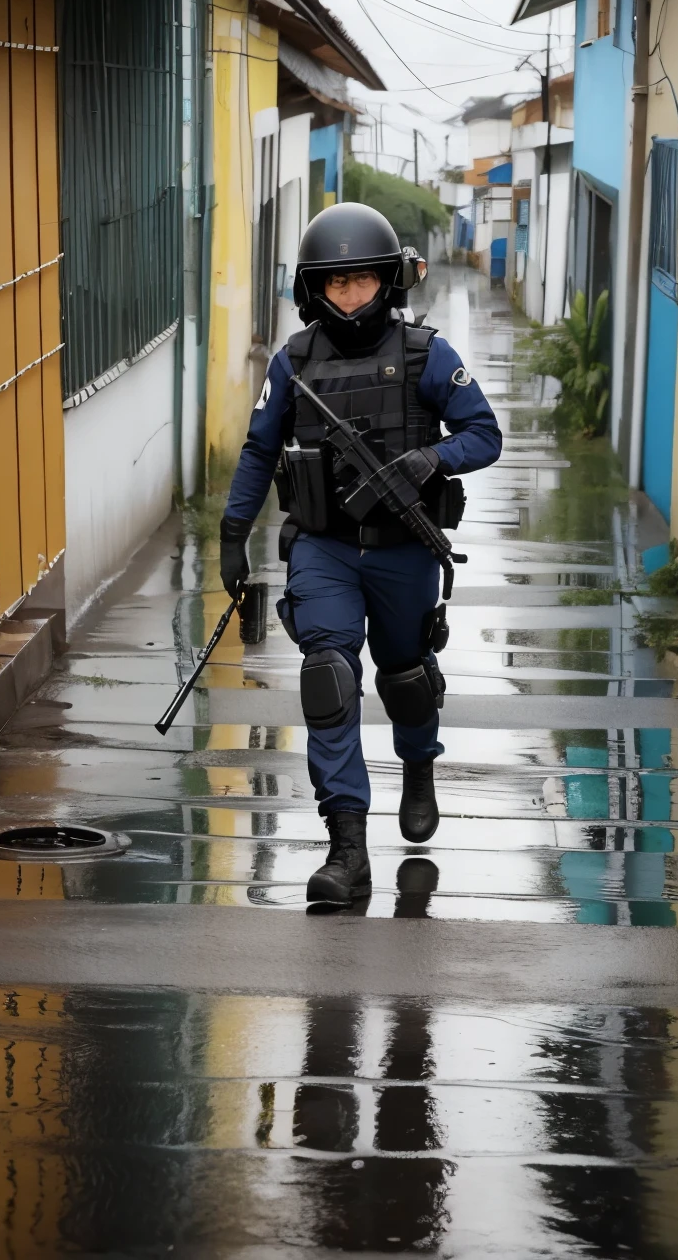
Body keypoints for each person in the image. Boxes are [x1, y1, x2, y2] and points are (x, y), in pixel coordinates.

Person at [219, 203, 502, 905]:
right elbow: (259, 450)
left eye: (364, 282)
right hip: (325, 549)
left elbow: (485, 434)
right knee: (328, 676)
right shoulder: (293, 362)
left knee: (404, 675)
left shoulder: (425, 354)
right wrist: (232, 534)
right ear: (314, 290)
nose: (351, 296)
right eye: (337, 284)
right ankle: (347, 848)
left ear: (389, 282)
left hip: (403, 549)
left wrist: (431, 458)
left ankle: (418, 765)